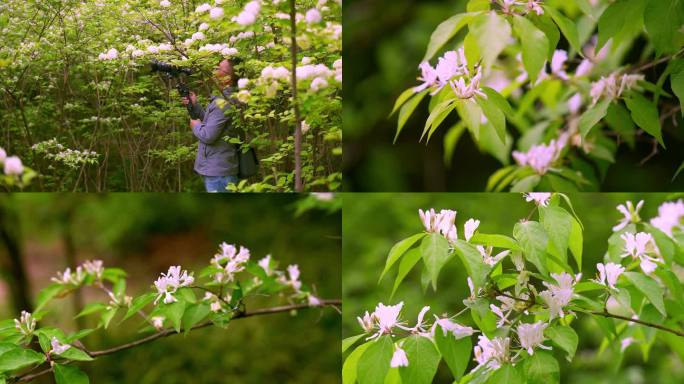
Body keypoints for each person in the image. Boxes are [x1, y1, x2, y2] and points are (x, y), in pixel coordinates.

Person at [181, 58, 240, 192]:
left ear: (228, 78)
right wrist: (195, 105)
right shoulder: (230, 97)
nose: (215, 71)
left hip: (219, 173)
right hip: (221, 169)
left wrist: (195, 126)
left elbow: (208, 135)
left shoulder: (224, 102)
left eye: (219, 68)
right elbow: (214, 122)